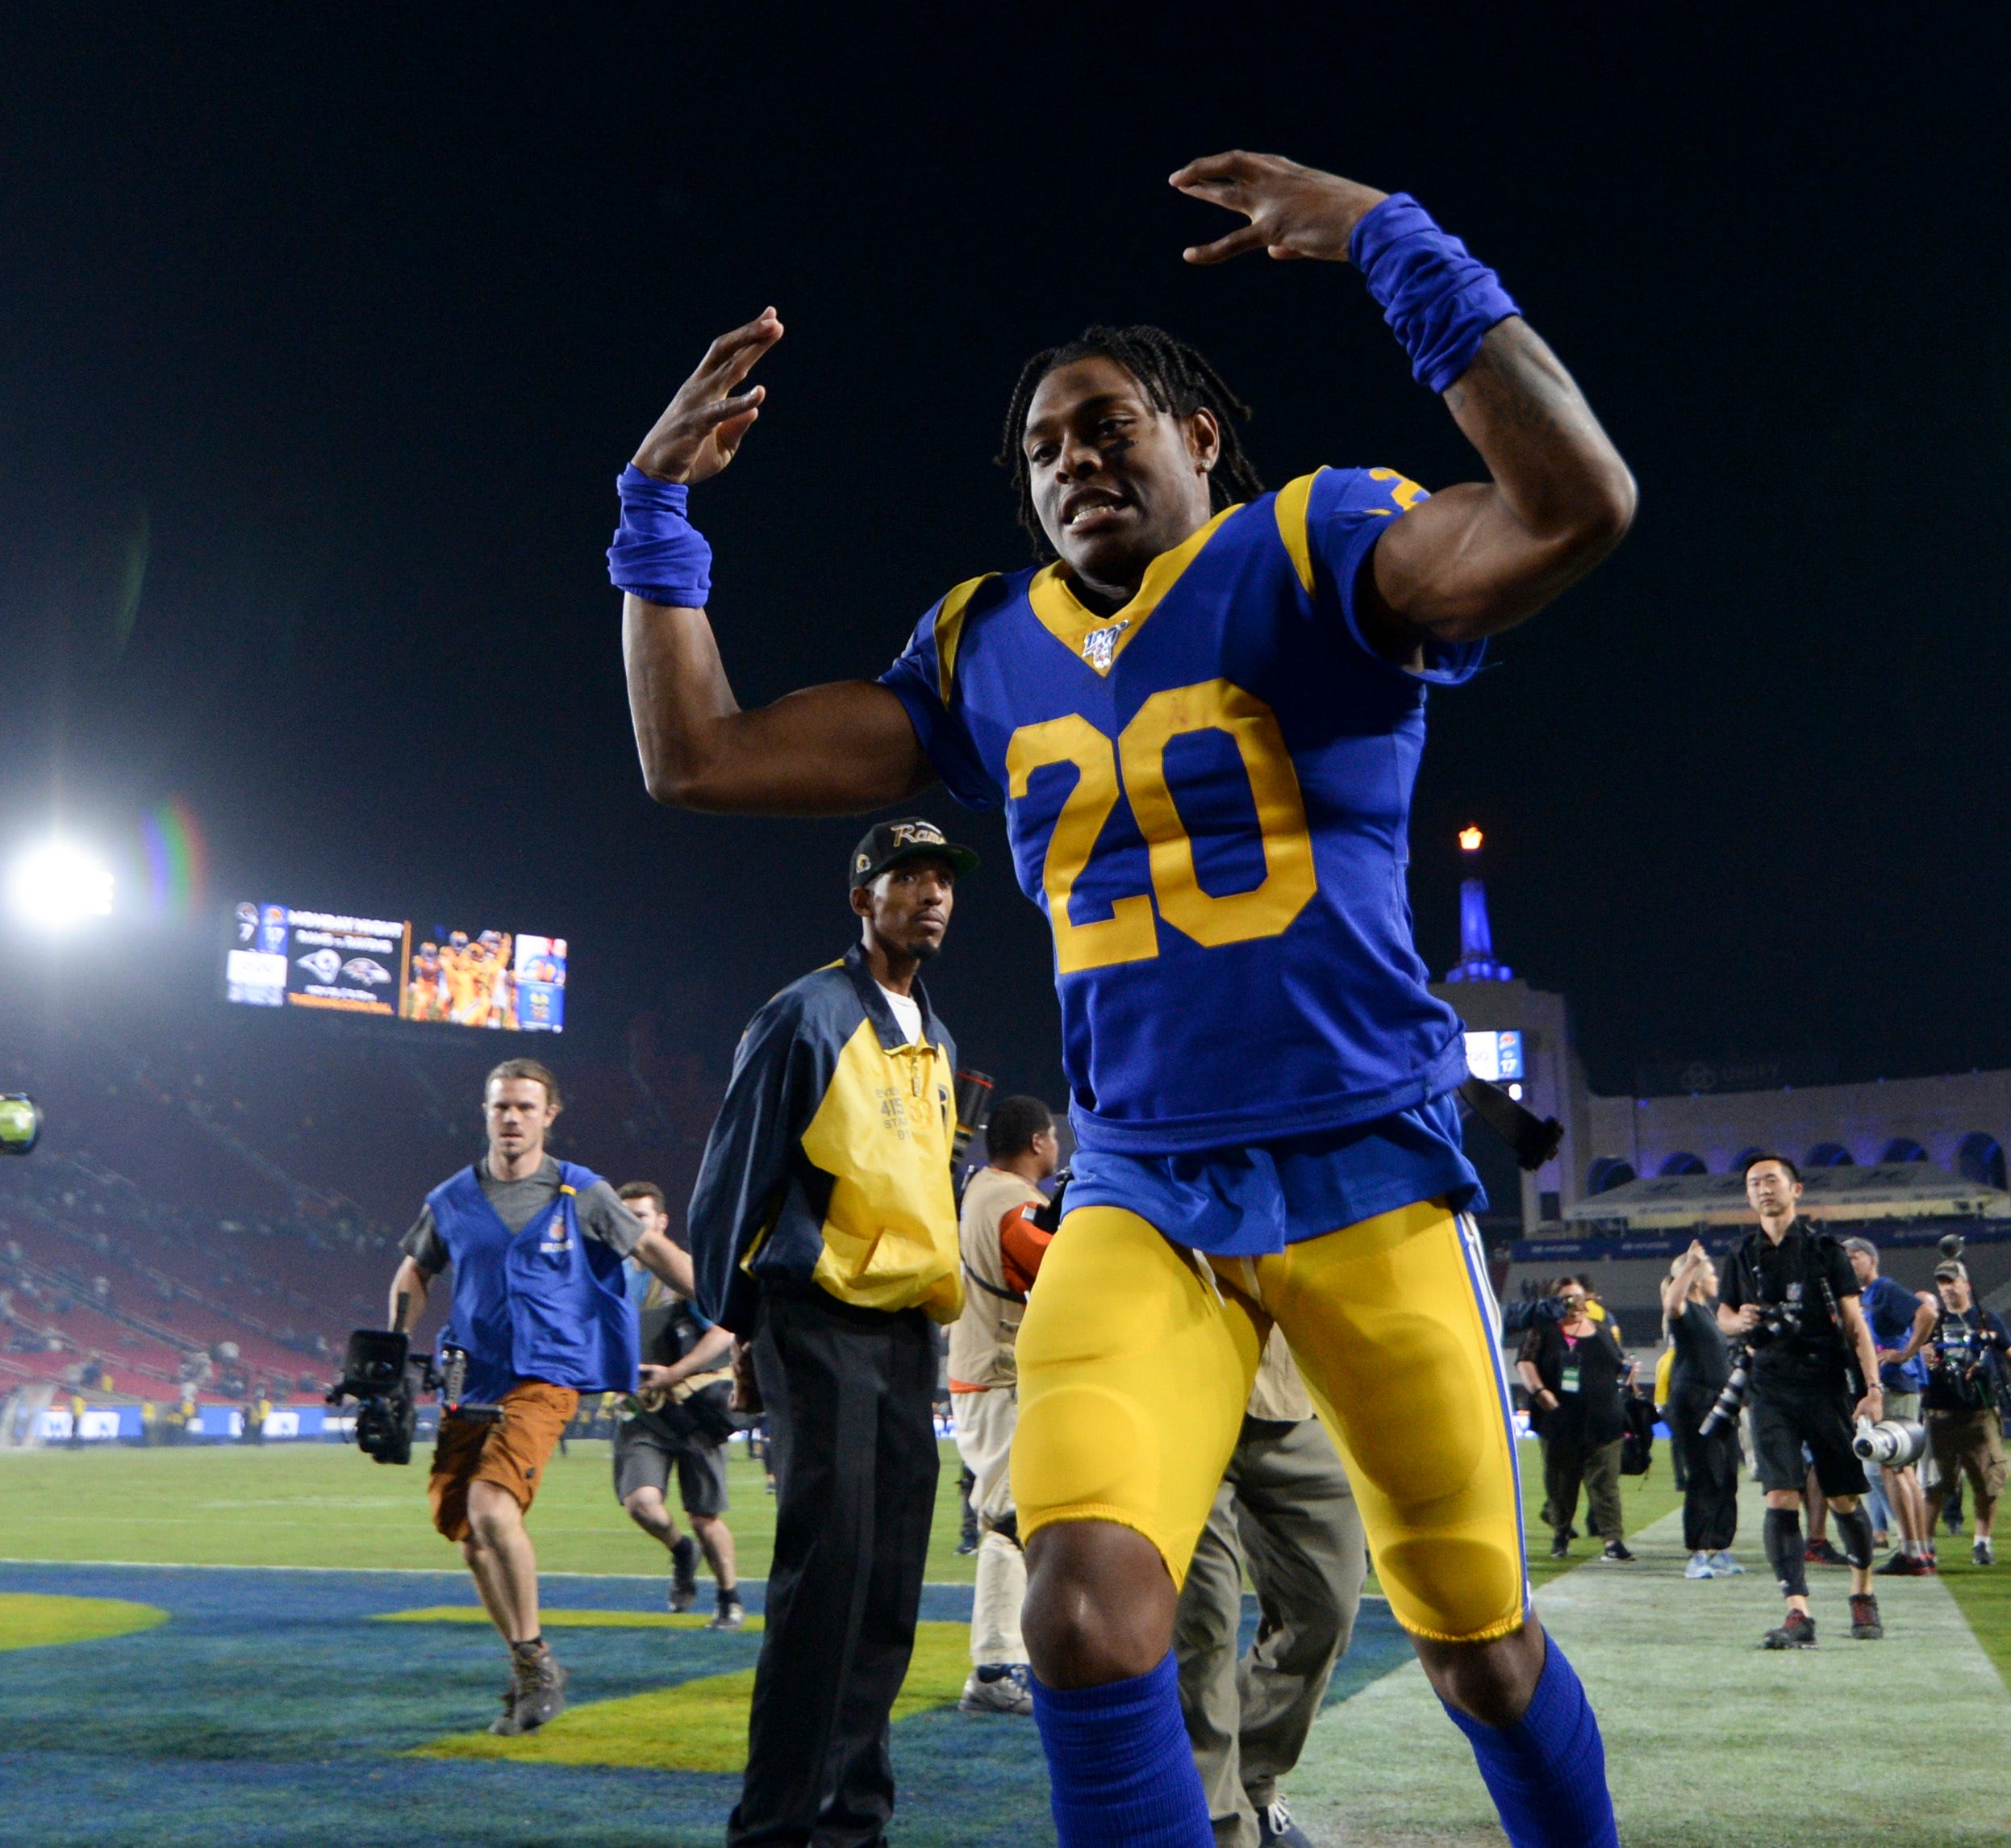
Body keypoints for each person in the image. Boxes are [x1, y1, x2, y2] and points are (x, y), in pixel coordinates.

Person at [615, 149, 1633, 1848]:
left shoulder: (1314, 545)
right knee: (1079, 1618)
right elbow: (697, 756)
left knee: (1471, 1642)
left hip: (1364, 1174)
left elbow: (1571, 503)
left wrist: (1391, 245)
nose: (1071, 457)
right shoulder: (981, 645)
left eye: (1105, 423)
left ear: (1194, 437)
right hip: (1140, 1188)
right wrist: (652, 517)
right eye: (1038, 446)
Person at [683, 820, 970, 1847]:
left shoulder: (938, 1038)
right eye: (909, 877)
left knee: (888, 1586)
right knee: (827, 1580)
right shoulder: (804, 1013)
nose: (932, 894)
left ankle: (854, 1821)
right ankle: (772, 1829)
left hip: (904, 1336)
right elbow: (729, 1179)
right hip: (818, 1326)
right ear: (862, 898)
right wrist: (742, 1333)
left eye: (942, 879)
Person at [386, 1057, 697, 1735]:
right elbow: (414, 1269)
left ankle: (531, 1662)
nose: (512, 1118)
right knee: (468, 1536)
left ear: (549, 1115)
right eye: (501, 1106)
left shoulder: (583, 1192)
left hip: (546, 1370)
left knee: (490, 1505)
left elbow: (650, 1248)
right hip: (472, 1373)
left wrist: (729, 1301)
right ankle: (533, 1664)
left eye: (525, 1107)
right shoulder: (450, 1198)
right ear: (486, 1112)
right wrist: (390, 1349)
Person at [1172, 1330, 1367, 1848]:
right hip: (1175, 1391)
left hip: (1290, 1394)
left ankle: (1250, 1776)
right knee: (1201, 1623)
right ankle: (1217, 1823)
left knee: (1328, 1605)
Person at [1717, 1156, 1888, 1648]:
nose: (1763, 1189)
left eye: (1772, 1180)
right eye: (1754, 1184)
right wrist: (1738, 1321)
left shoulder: (1823, 1250)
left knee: (1842, 1497)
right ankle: (1798, 1612)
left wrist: (1872, 1390)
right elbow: (1724, 1313)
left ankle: (1862, 1591)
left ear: (1796, 1189)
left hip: (1824, 1382)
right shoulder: (1741, 1252)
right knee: (1779, 1494)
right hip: (1768, 1385)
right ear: (1748, 1197)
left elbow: (1856, 1324)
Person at [952, 1093, 1060, 1716]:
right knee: (1008, 1518)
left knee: (1022, 1514)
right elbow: (1052, 1264)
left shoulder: (980, 1188)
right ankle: (994, 1667)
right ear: (1038, 1141)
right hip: (999, 1374)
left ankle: (1014, 1655)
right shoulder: (1007, 1198)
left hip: (989, 1373)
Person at [609, 1182, 745, 1629]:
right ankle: (680, 1550)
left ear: (661, 1223)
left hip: (692, 1407)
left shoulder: (684, 1271)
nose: (630, 1226)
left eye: (640, 1217)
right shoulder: (609, 1274)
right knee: (640, 1504)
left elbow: (724, 1330)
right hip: (642, 1407)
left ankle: (729, 1597)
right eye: (623, 1216)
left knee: (705, 1516)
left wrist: (677, 1371)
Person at [1517, 1281, 1634, 1562]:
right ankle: (1561, 1533)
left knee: (1606, 1484)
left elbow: (1619, 1362)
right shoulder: (1543, 1330)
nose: (1576, 1304)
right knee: (1561, 1484)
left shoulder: (1602, 1330)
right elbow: (1524, 1362)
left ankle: (1612, 1540)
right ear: (1554, 1303)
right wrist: (1540, 1391)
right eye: (1568, 1299)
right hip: (1560, 1422)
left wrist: (1629, 1374)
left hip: (1605, 1421)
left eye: (1580, 1297)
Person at [1845, 1237, 1939, 1575]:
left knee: (1892, 1468)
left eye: (1853, 1257)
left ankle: (1912, 1551)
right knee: (1901, 1470)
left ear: (1871, 1260)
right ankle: (1917, 1549)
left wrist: (1907, 1353)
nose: (1848, 1263)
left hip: (1895, 1385)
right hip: (1897, 1385)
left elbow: (1926, 1312)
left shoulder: (1882, 1288)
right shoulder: (1866, 1297)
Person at [1659, 1242, 1742, 1578]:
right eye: (1711, 1273)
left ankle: (1720, 1547)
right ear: (1695, 1279)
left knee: (1727, 1477)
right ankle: (1698, 1552)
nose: (1716, 1279)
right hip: (1694, 1401)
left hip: (1720, 1402)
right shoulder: (1684, 1311)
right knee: (1704, 1476)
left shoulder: (1708, 1312)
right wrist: (1692, 1263)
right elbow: (1672, 1303)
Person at [1921, 1260, 2008, 1566]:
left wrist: (1990, 1366)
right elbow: (1912, 1358)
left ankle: (1982, 1543)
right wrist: (1922, 1355)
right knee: (1933, 1485)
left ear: (1966, 1284)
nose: (1947, 1288)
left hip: (1979, 1413)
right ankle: (1926, 1547)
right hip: (1940, 1413)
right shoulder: (1931, 1321)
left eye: (1952, 1282)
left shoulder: (1988, 1319)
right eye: (1942, 1283)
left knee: (1988, 1482)